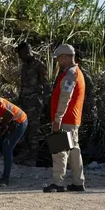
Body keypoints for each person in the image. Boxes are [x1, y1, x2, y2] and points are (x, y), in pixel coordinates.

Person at [44, 44, 86, 193]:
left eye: (60, 58)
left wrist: (57, 119)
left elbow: (65, 98)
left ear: (67, 57)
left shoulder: (70, 74)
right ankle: (78, 182)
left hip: (65, 118)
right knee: (74, 151)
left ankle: (58, 183)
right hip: (73, 119)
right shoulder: (76, 72)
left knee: (59, 151)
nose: (58, 62)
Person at [15, 42, 49, 165]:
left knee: (33, 131)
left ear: (26, 52)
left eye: (20, 54)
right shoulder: (25, 66)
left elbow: (46, 85)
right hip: (24, 102)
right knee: (23, 128)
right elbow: (23, 85)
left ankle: (33, 158)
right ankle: (25, 153)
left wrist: (46, 103)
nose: (19, 57)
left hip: (34, 103)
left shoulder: (39, 65)